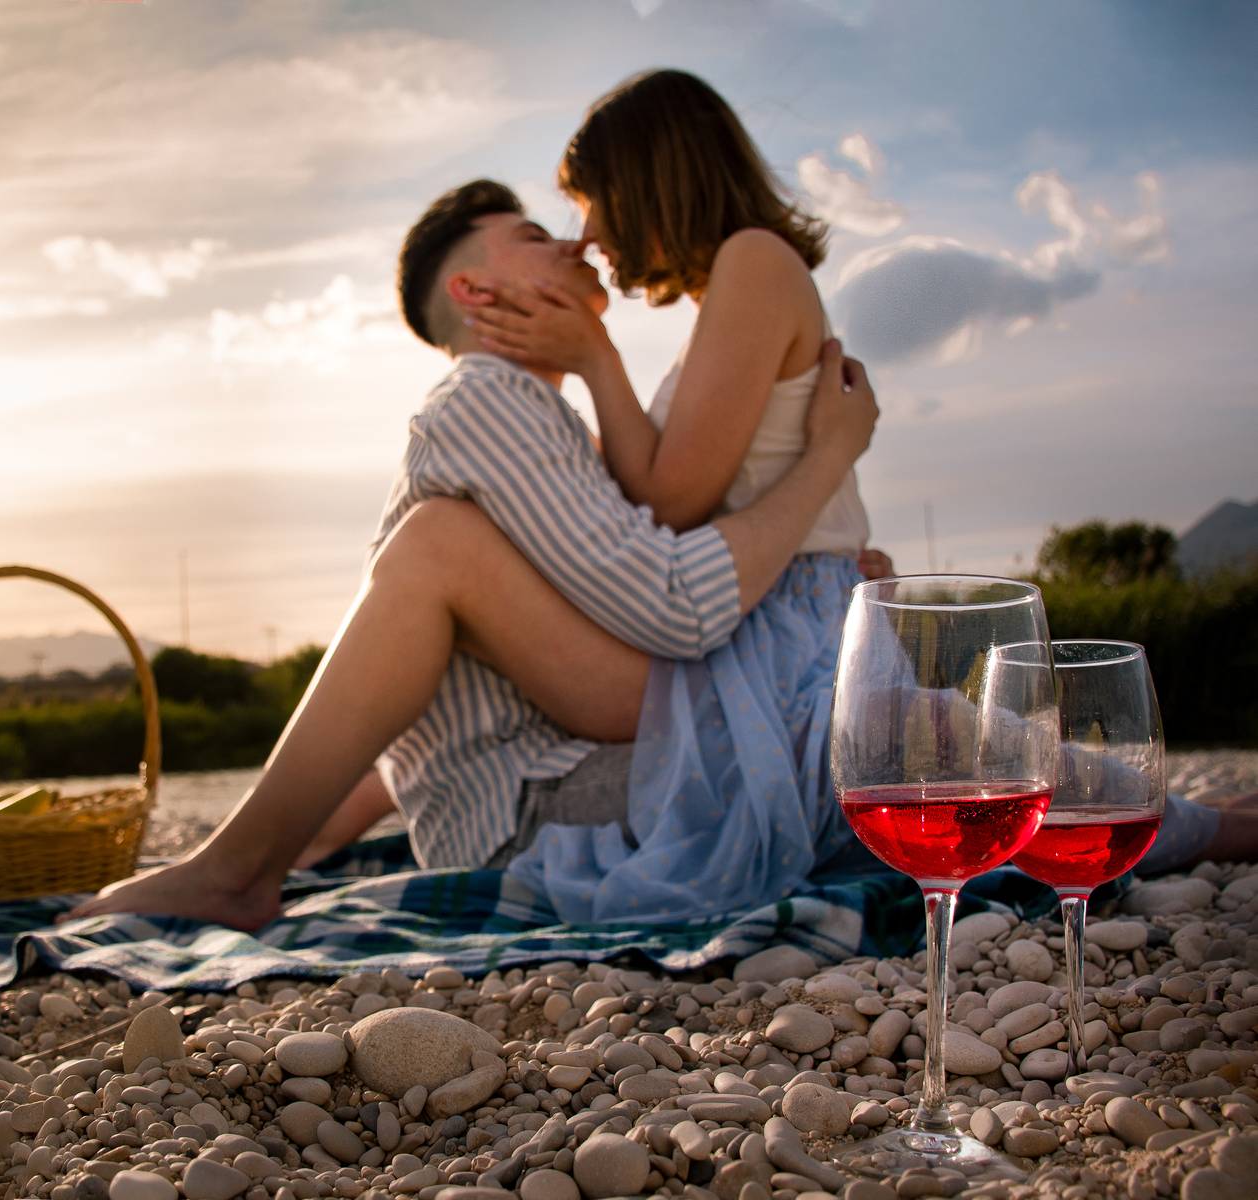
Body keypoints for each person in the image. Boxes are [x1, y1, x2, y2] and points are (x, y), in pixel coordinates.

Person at [66, 178, 881, 929]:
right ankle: (234, 869)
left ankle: (241, 863)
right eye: (532, 237)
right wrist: (825, 461)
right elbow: (677, 606)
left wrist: (821, 577)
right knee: (436, 545)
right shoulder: (489, 401)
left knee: (889, 735)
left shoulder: (547, 428)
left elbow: (651, 589)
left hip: (576, 772)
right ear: (475, 292)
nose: (572, 243)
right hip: (537, 806)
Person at [460, 68, 878, 919]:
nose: (587, 236)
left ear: (653, 180)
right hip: (765, 610)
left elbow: (673, 502)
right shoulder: (731, 289)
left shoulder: (754, 261)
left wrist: (595, 357)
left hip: (785, 625)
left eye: (593, 202)